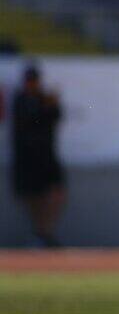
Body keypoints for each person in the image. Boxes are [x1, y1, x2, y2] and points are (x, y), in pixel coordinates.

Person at [10, 64, 66, 248]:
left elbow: (56, 116)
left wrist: (52, 103)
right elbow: (29, 120)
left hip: (47, 156)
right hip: (28, 158)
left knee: (55, 193)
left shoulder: (44, 98)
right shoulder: (21, 100)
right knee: (34, 197)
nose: (32, 84)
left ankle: (46, 232)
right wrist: (47, 104)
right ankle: (40, 233)